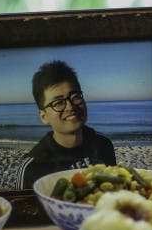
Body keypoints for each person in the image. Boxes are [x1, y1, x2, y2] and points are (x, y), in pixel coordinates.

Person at [19, 60, 116, 188]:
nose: (71, 106)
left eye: (75, 96)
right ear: (44, 116)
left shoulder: (103, 145)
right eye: (58, 103)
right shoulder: (33, 167)